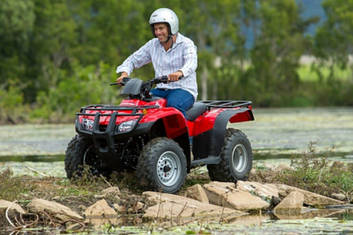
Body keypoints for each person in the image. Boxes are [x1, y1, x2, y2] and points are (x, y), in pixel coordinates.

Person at [116, 8, 198, 117]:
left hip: (183, 90)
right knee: (136, 102)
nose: (158, 32)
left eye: (161, 28)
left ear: (171, 27)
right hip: (160, 90)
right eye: (155, 29)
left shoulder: (186, 44)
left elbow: (191, 63)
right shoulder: (152, 45)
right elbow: (133, 59)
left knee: (173, 107)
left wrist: (179, 72)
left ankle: (184, 135)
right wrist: (124, 74)